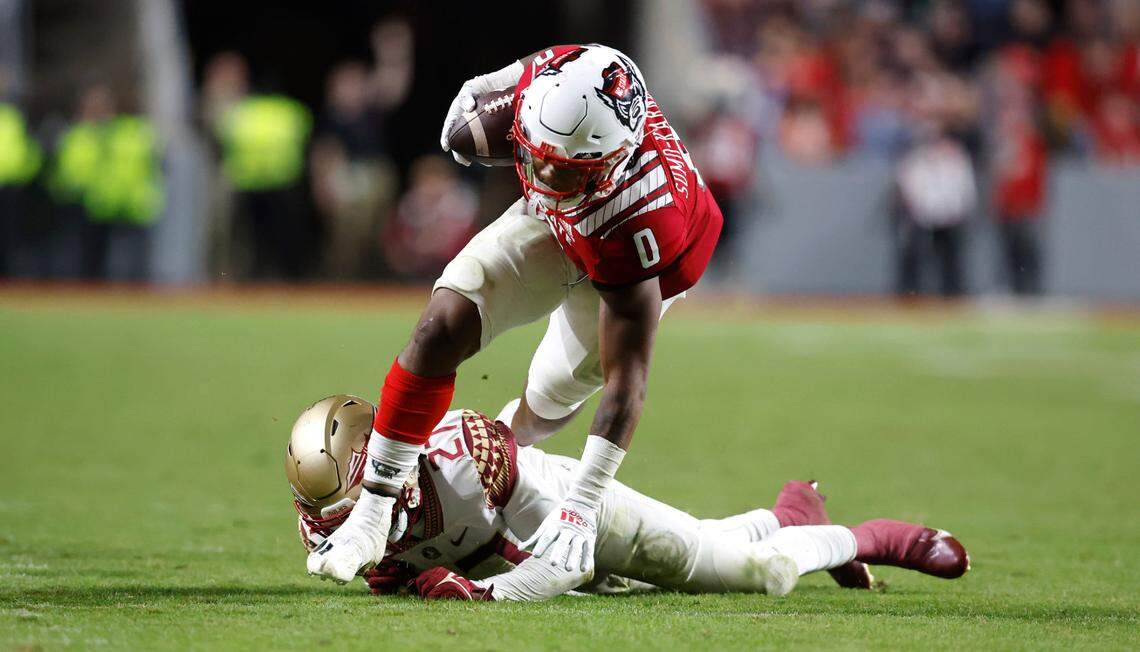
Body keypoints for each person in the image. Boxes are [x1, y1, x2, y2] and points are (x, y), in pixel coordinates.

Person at [305, 45, 728, 592]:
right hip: (564, 216)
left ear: (612, 161)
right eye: (536, 155)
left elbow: (627, 382)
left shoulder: (646, 219)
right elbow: (483, 96)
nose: (544, 173)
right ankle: (374, 513)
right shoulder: (555, 82)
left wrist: (583, 504)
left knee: (550, 394)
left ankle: (506, 481)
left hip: (623, 247)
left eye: (564, 168)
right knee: (441, 325)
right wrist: (478, 112)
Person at [286, 396, 970, 601]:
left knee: (755, 574)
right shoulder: (328, 533)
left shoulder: (466, 459)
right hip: (523, 555)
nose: (346, 526)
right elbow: (399, 575)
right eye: (329, 513)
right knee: (705, 551)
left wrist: (486, 596)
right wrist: (431, 583)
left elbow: (568, 561)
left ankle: (874, 537)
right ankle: (792, 513)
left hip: (573, 519)